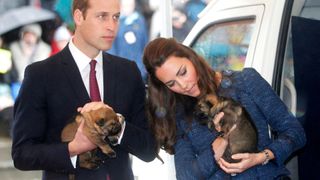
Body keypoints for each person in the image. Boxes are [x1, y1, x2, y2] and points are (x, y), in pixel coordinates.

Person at [11, 0, 157, 179]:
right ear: (79, 16)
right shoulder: (40, 75)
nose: (112, 26)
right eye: (102, 17)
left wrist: (118, 127)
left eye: (116, 17)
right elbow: (22, 154)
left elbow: (149, 149)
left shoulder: (128, 71)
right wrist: (72, 149)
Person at [142, 37, 306, 179]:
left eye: (183, 72)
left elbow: (295, 132)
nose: (183, 85)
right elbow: (186, 176)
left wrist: (262, 157)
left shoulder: (245, 82)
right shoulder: (179, 116)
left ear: (191, 58)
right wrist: (215, 150)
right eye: (171, 84)